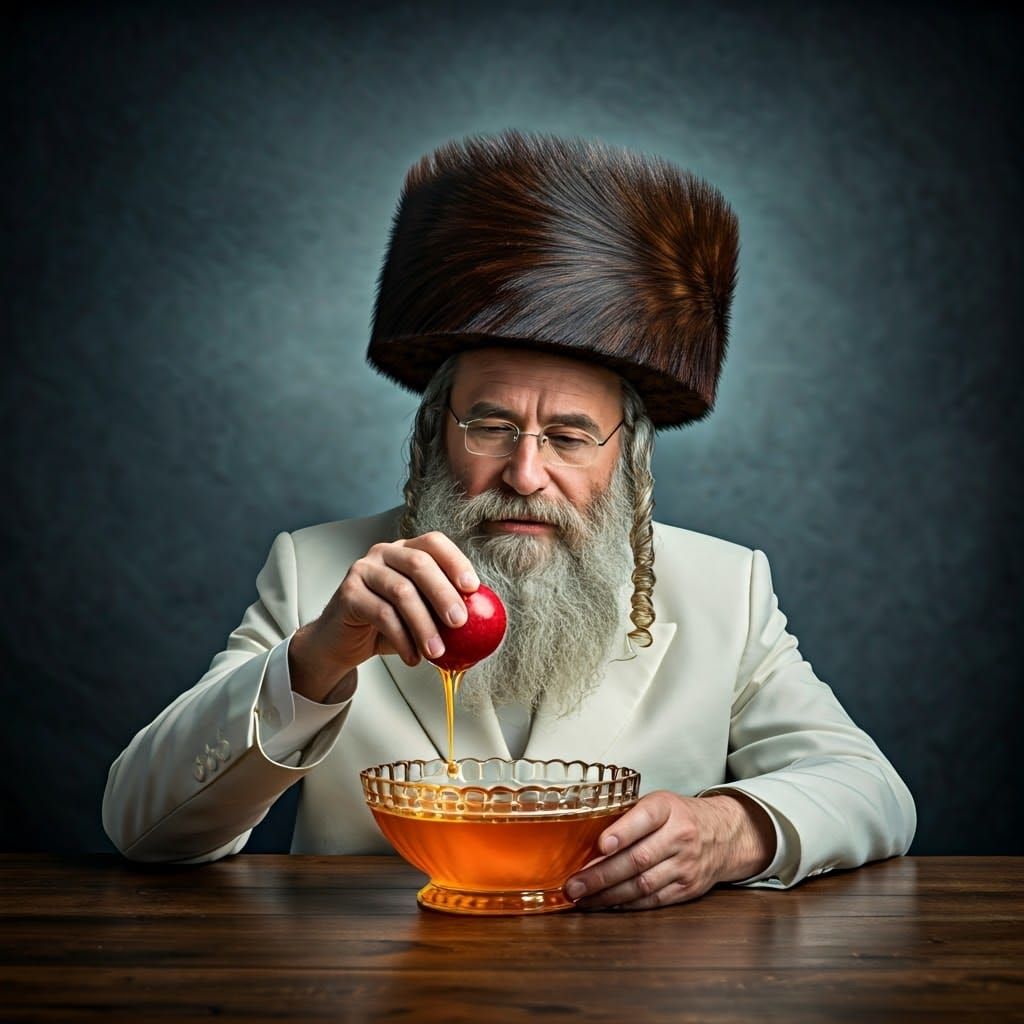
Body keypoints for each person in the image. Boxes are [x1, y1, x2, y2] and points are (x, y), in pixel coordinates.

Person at [103, 131, 916, 911]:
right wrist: (314, 661)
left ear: (626, 459)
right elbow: (145, 828)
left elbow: (872, 791)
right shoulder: (320, 573)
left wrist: (732, 830)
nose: (526, 475)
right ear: (434, 435)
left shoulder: (722, 588)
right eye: (490, 427)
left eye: (568, 436)